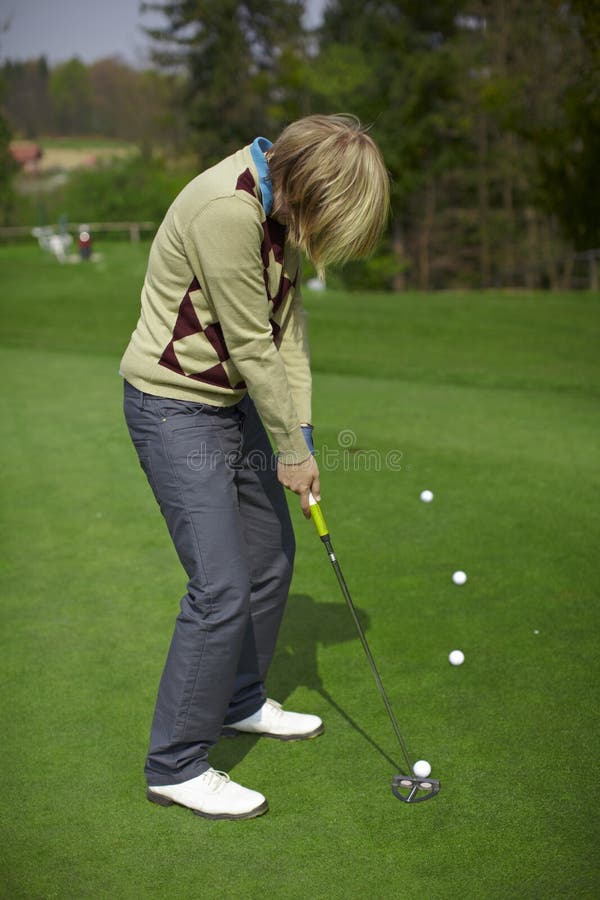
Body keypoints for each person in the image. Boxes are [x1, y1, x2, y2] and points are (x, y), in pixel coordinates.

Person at [120, 114, 389, 820]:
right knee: (221, 584)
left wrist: (299, 435)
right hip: (173, 405)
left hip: (232, 406)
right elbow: (248, 343)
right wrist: (292, 456)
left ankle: (240, 700)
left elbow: (288, 335)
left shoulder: (283, 205)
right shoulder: (226, 210)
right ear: (306, 185)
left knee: (271, 557)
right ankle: (175, 764)